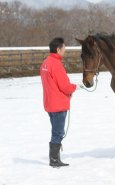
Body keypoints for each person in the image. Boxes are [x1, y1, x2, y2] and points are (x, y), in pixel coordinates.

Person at [40, 37, 80, 167]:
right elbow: (64, 86)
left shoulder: (45, 62)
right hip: (58, 105)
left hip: (50, 103)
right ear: (58, 49)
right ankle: (54, 160)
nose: (65, 51)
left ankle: (55, 158)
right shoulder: (56, 64)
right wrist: (75, 87)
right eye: (64, 49)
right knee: (58, 133)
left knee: (56, 131)